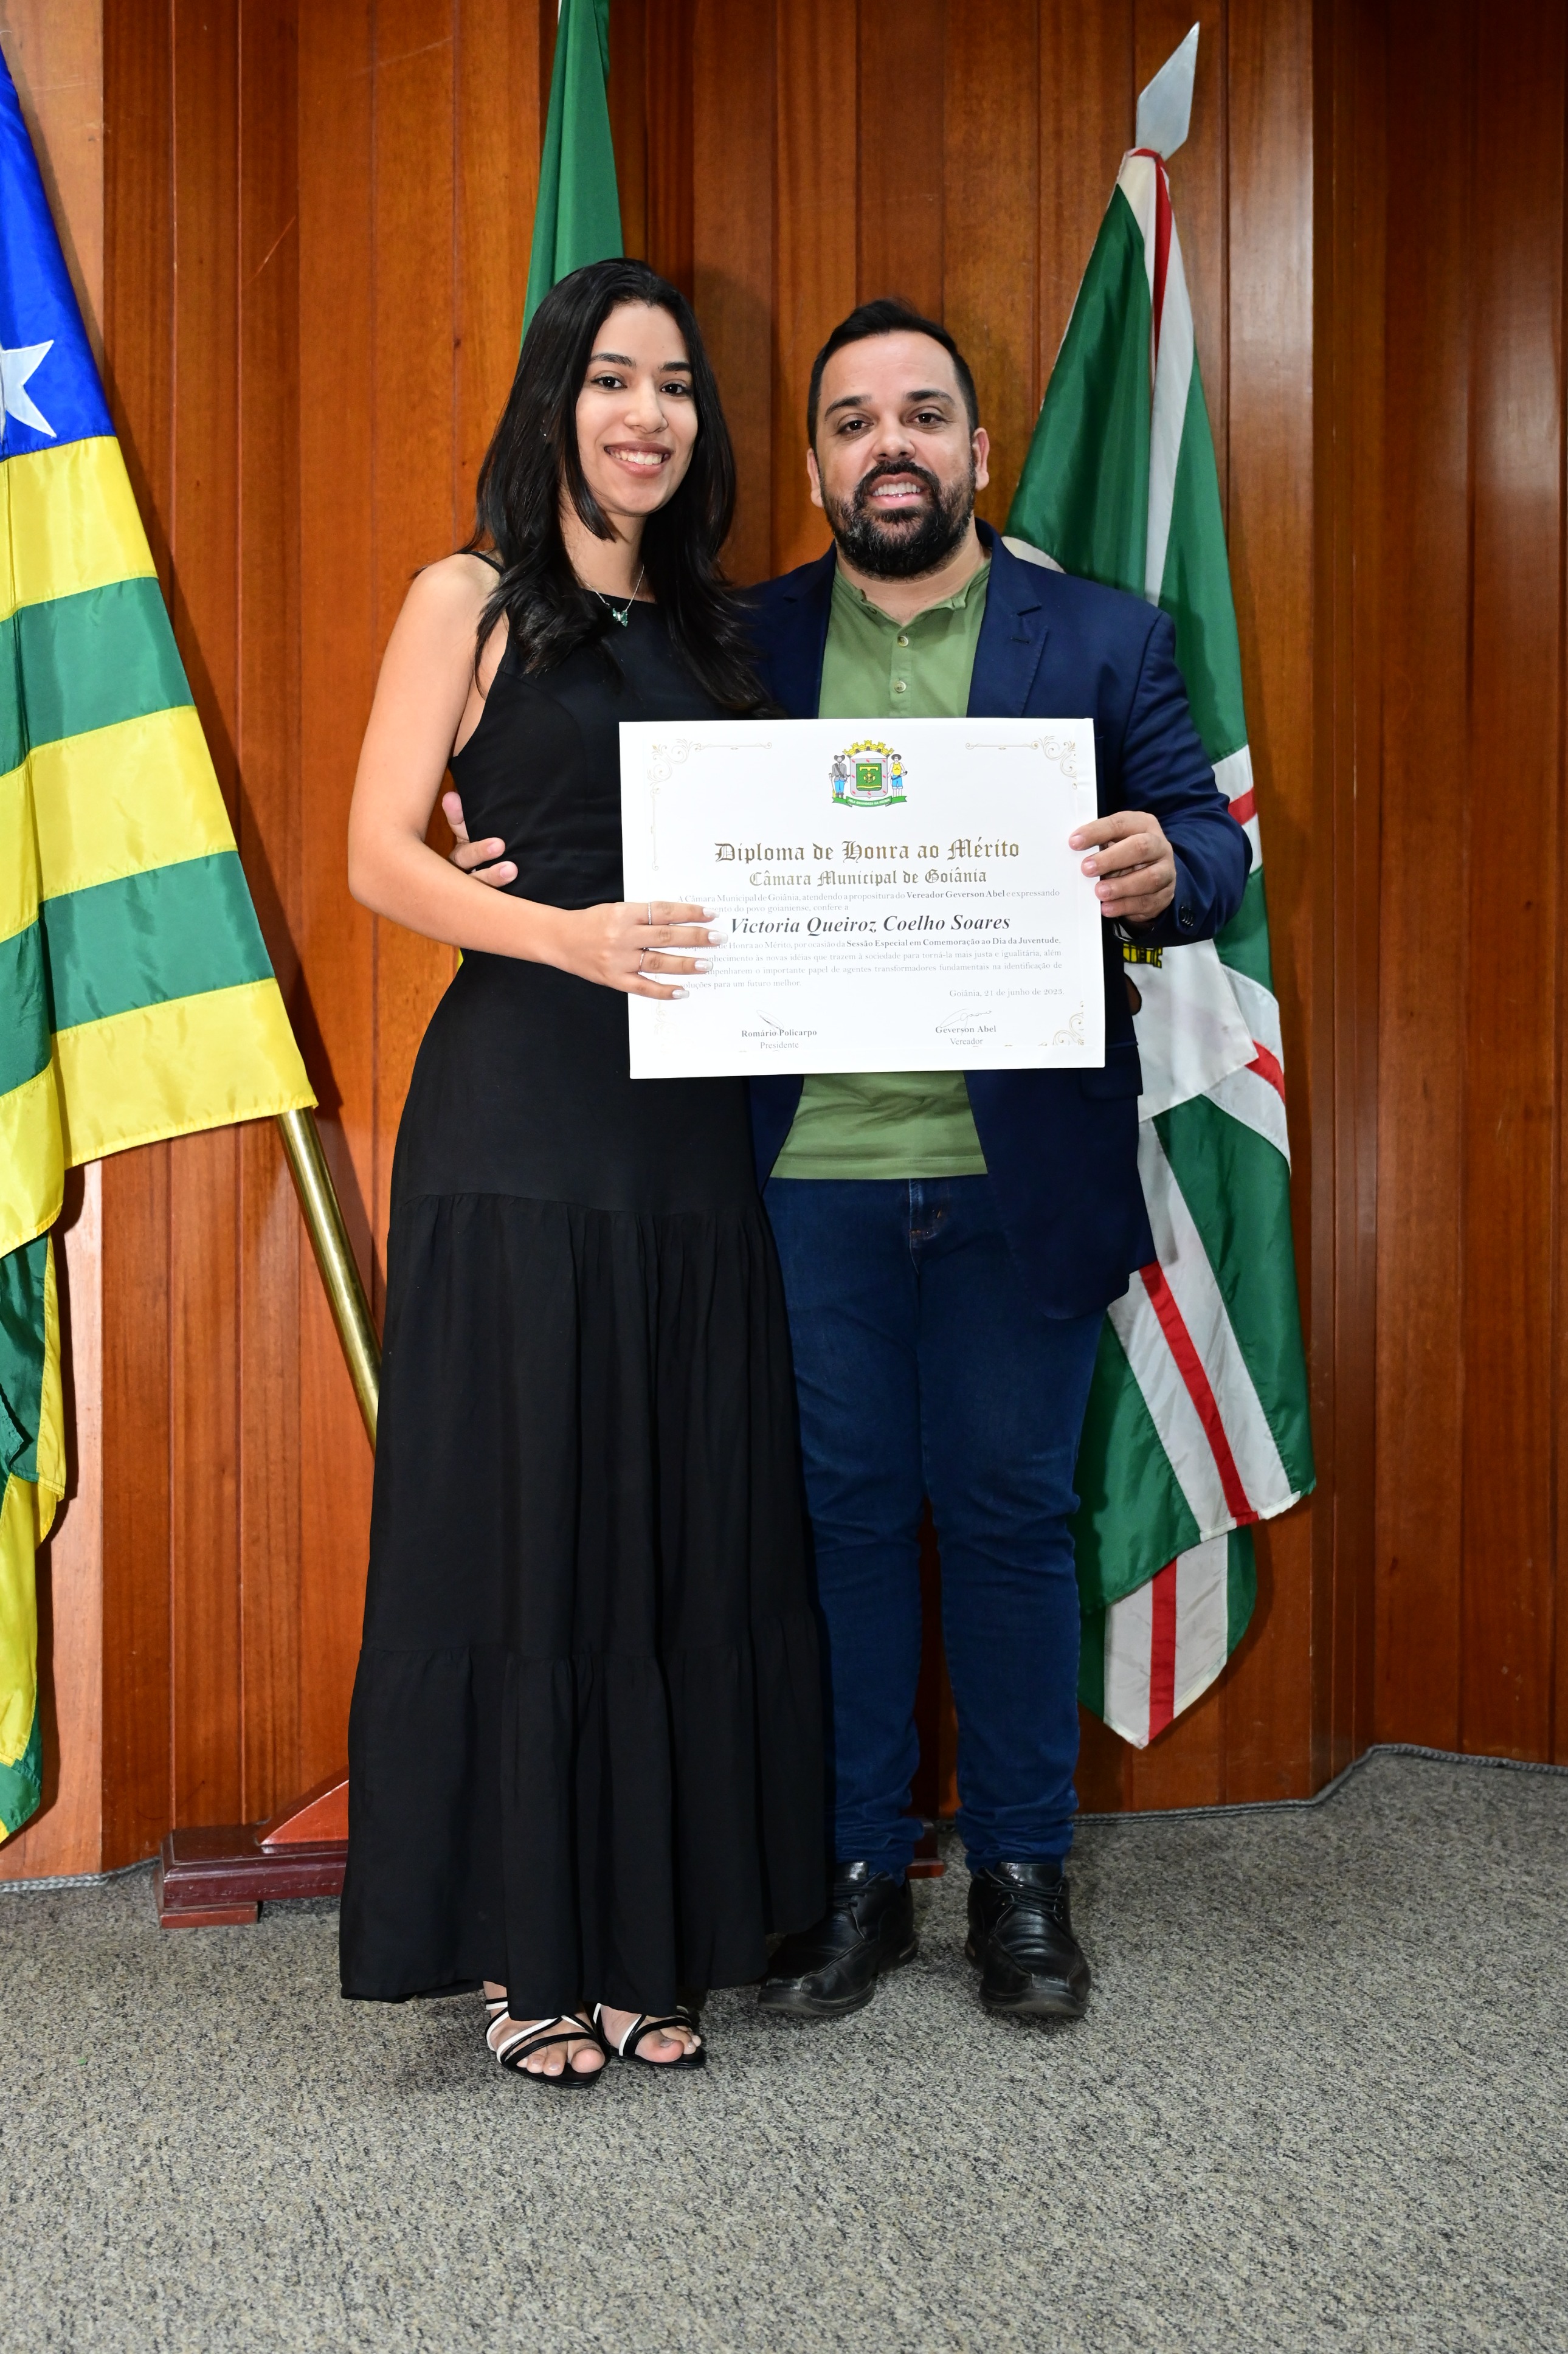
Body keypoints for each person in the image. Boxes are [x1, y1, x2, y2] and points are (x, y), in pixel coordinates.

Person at [449, 296, 1249, 2029]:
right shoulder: (735, 638)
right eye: (853, 421)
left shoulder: (1101, 638)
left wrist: (1161, 865)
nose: (891, 446)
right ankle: (862, 1873)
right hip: (794, 1175)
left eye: (923, 416)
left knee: (1012, 1517)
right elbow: (595, 785)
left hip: (1018, 1172)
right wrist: (472, 816)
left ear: (977, 448)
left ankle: (1022, 1880)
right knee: (839, 1522)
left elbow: (1209, 844)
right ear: (815, 466)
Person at [340, 258, 824, 2086]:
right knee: (525, 1524)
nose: (648, 413)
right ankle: (521, 1955)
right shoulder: (462, 599)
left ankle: (646, 1940)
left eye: (676, 386)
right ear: (555, 400)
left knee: (671, 1522)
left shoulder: (719, 634)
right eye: (615, 378)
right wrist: (568, 937)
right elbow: (379, 855)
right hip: (520, 1115)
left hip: (690, 1137)